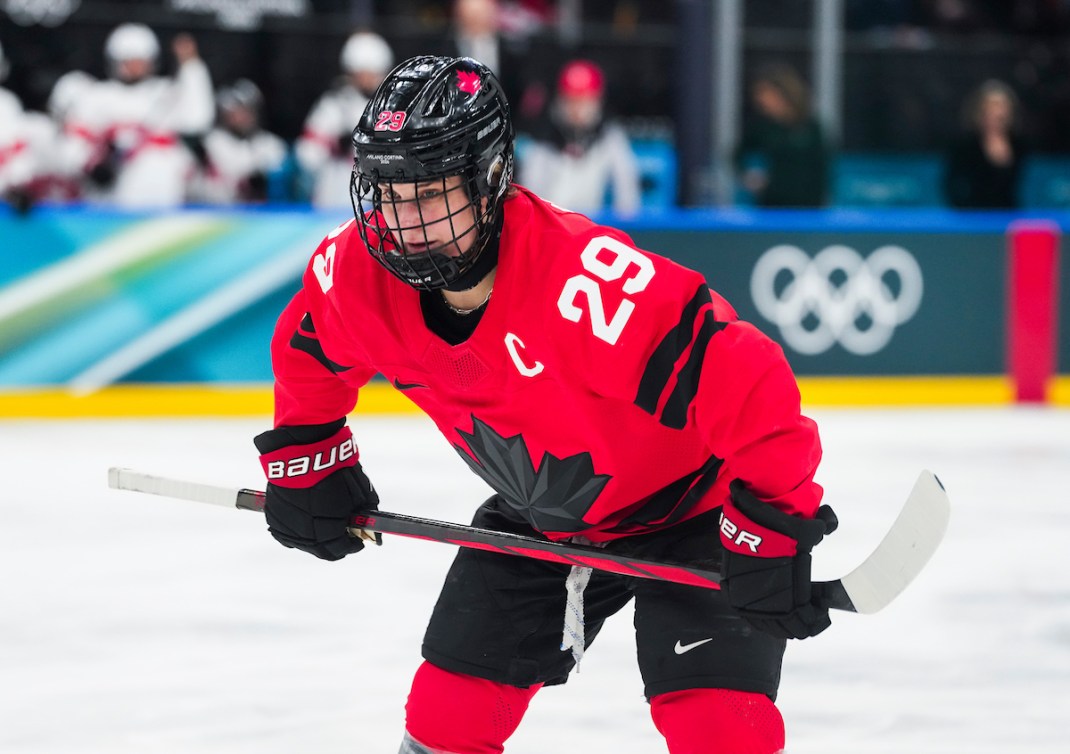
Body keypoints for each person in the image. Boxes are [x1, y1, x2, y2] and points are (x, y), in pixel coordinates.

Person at [254, 56, 837, 754]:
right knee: (445, 718)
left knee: (717, 728)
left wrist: (769, 527)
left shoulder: (583, 285)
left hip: (692, 511)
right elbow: (308, 344)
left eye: (432, 193)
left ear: (490, 178)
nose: (406, 223)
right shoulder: (357, 273)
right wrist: (309, 457)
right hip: (542, 517)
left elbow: (749, 381)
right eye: (390, 194)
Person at [58, 23, 214, 208]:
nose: (135, 67)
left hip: (163, 199)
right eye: (128, 61)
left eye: (141, 61)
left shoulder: (167, 92)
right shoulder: (96, 96)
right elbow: (73, 145)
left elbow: (198, 119)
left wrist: (191, 66)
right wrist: (90, 166)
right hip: (109, 201)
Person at [518, 58, 641, 216]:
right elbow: (530, 191)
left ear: (597, 100)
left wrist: (622, 226)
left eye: (583, 101)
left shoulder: (609, 137)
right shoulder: (544, 137)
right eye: (571, 100)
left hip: (592, 225)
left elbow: (627, 192)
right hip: (551, 225)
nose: (577, 109)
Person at [295, 30, 394, 209]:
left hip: (378, 203)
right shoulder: (333, 106)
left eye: (373, 73)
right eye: (361, 73)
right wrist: (333, 144)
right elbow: (306, 154)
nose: (367, 79)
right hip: (333, 200)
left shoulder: (391, 107)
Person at [734, 62, 831, 208]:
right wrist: (749, 177)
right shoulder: (762, 126)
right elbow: (737, 154)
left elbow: (823, 166)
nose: (760, 99)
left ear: (782, 92)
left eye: (764, 93)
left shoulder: (811, 127)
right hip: (772, 205)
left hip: (809, 207)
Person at [189, 79, 288, 205]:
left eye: (245, 110)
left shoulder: (271, 145)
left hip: (257, 215)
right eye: (235, 112)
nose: (241, 117)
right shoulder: (211, 142)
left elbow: (279, 186)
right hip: (214, 211)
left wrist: (261, 180)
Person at [943, 79, 1026, 209]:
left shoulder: (1019, 145)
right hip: (972, 216)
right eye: (992, 106)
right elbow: (951, 185)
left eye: (1002, 106)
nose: (997, 112)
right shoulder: (963, 146)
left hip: (1008, 214)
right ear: (979, 111)